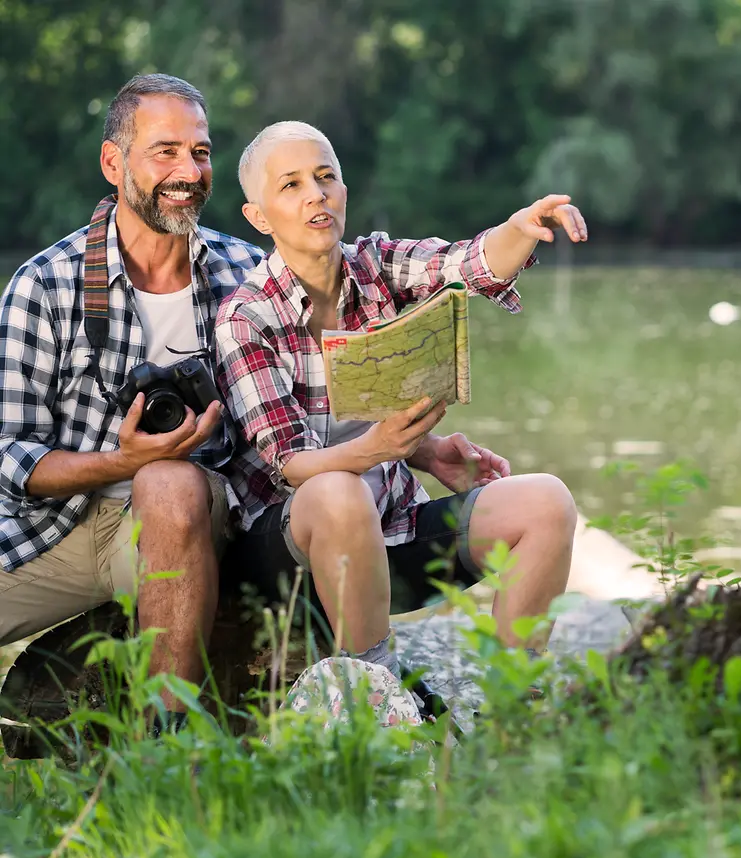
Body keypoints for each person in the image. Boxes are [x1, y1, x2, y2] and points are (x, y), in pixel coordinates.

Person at [216, 121, 585, 678]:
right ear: (259, 218)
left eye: (326, 177)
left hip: (390, 535)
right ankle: (374, 692)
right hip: (291, 558)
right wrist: (383, 445)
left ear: (344, 190)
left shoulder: (376, 265)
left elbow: (468, 263)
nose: (316, 193)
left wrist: (520, 228)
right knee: (337, 491)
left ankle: (513, 702)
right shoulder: (246, 318)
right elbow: (291, 464)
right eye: (291, 185)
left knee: (546, 502)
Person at [0, 74, 263, 720]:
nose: (189, 171)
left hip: (182, 525)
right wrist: (121, 461)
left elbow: (309, 402)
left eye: (200, 153)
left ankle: (168, 745)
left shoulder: (248, 276)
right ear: (113, 162)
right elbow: (9, 458)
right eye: (165, 151)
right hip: (52, 529)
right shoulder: (45, 286)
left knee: (170, 483)